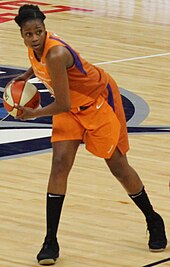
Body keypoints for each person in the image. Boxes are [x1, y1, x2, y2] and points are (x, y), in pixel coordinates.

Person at [13, 4, 167, 266]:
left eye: (38, 32)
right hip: (70, 108)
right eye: (29, 34)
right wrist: (25, 76)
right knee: (60, 165)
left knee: (118, 167)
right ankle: (50, 241)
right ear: (23, 35)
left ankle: (153, 219)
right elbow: (44, 74)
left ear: (45, 28)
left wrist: (31, 114)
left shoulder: (56, 54)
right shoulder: (34, 49)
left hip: (97, 103)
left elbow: (60, 103)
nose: (35, 38)